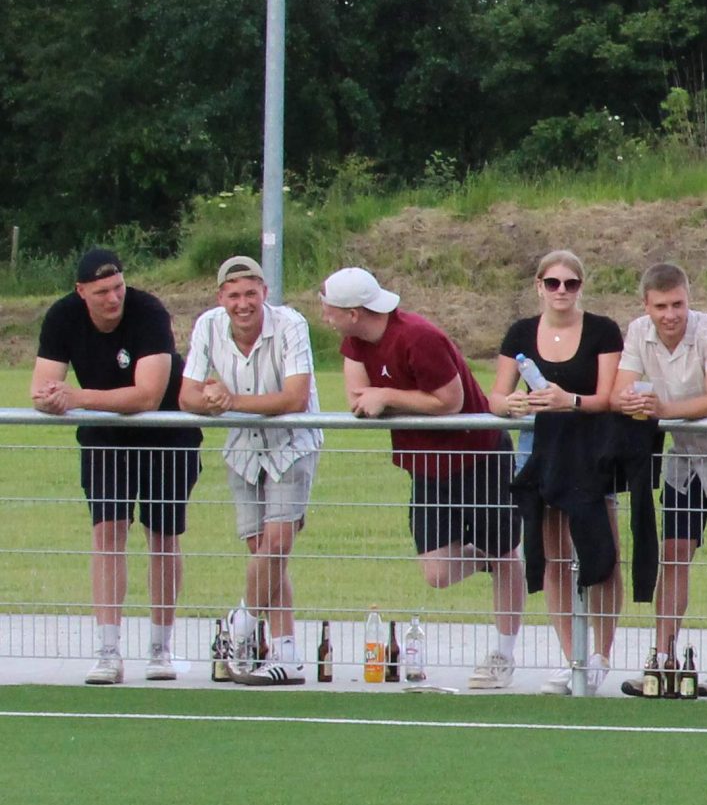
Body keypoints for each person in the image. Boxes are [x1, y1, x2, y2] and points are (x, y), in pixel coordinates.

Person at [320, 265, 526, 690]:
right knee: (437, 573)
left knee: (505, 552)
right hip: (426, 465)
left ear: (354, 312)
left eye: (330, 310)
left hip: (478, 455)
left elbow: (449, 402)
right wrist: (381, 399)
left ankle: (504, 652)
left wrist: (387, 396)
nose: (325, 317)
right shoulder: (355, 342)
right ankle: (495, 557)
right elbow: (358, 398)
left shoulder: (418, 337)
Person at [32, 247, 204, 684]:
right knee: (107, 533)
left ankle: (160, 649)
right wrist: (51, 398)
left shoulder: (148, 312)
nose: (113, 298)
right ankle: (108, 652)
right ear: (81, 292)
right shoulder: (62, 316)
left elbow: (147, 395)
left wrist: (76, 397)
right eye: (102, 292)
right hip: (105, 436)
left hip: (166, 432)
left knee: (162, 536)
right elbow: (41, 387)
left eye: (118, 287)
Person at [615, 262, 707, 697]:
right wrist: (631, 402)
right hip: (684, 458)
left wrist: (661, 410)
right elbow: (622, 391)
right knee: (675, 553)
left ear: (688, 299)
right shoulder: (637, 331)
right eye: (661, 306)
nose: (670, 315)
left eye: (677, 304)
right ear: (646, 305)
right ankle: (663, 659)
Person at [179, 255, 321, 685]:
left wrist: (229, 401)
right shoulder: (207, 326)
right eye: (234, 295)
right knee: (264, 551)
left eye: (250, 293)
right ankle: (286, 652)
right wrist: (213, 400)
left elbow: (295, 398)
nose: (243, 304)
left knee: (277, 544)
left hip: (291, 444)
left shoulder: (290, 324)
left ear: (264, 293)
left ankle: (240, 623)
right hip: (242, 447)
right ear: (221, 297)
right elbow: (187, 396)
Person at [493, 251, 626, 695]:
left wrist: (568, 400)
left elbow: (607, 397)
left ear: (581, 287)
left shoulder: (603, 330)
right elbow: (497, 396)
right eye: (553, 283)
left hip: (591, 450)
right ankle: (573, 657)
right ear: (539, 286)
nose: (561, 291)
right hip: (538, 451)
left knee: (603, 552)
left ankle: (601, 653)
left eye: (571, 283)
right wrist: (512, 403)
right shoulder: (520, 332)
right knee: (552, 556)